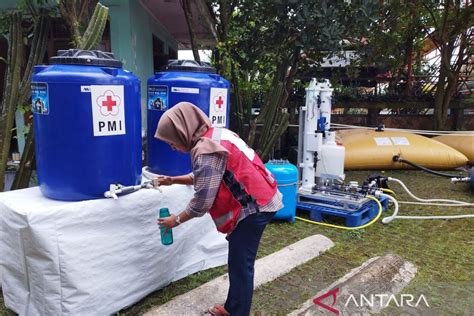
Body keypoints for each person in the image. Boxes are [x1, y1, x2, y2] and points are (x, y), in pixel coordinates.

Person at [154, 102, 282, 316]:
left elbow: (201, 203)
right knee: (237, 262)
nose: (173, 147)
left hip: (254, 208)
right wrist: (173, 180)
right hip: (262, 197)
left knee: (241, 266)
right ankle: (232, 308)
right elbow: (209, 175)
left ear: (182, 130)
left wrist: (174, 221)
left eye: (172, 142)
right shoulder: (216, 134)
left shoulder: (205, 151)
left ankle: (237, 312)